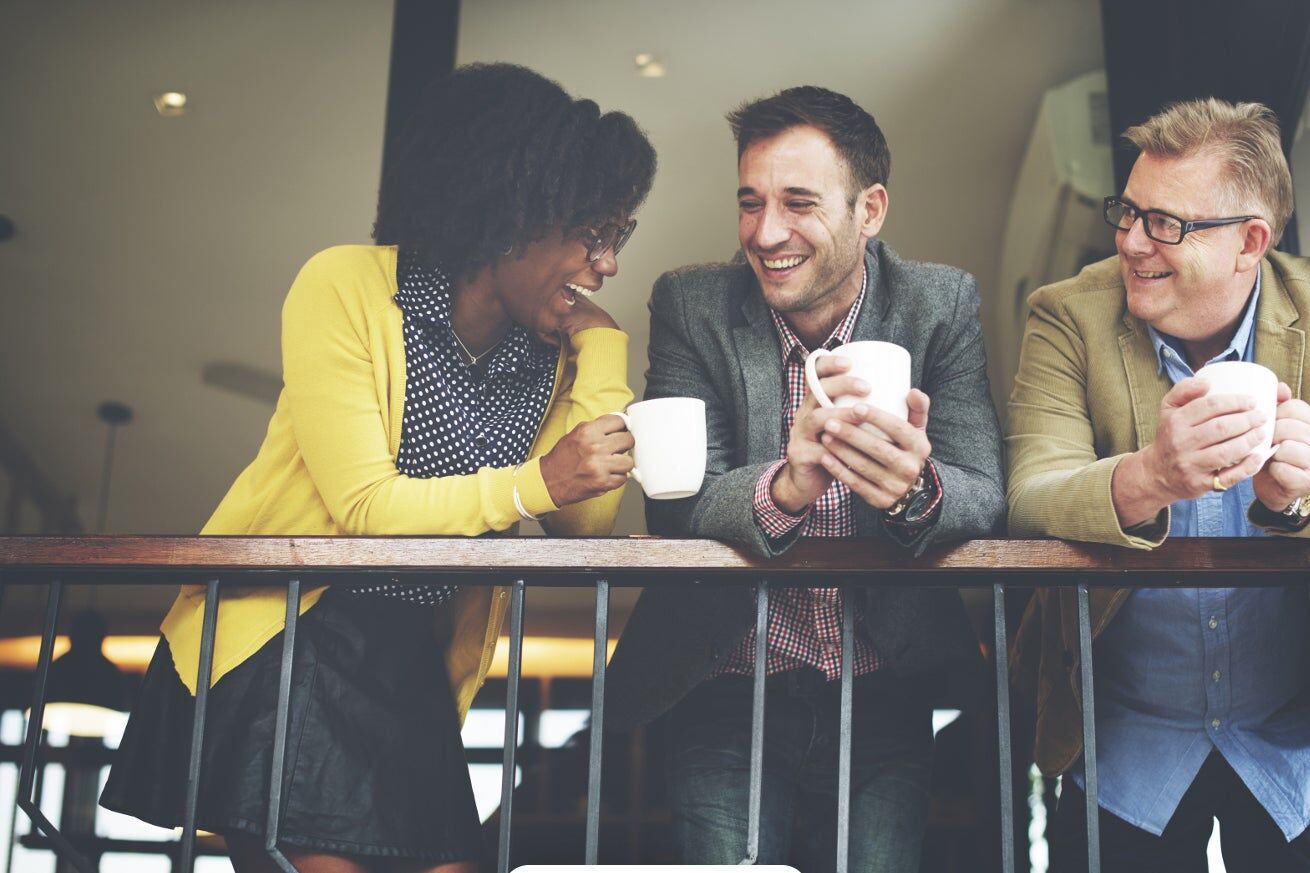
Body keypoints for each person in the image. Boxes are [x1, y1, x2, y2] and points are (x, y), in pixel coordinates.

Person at [100, 63, 656, 873]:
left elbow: (584, 520)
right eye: (593, 234)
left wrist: (602, 349)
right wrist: (532, 484)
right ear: (514, 215)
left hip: (408, 659)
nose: (607, 263)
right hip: (291, 632)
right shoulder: (347, 285)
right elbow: (364, 506)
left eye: (618, 237)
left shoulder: (549, 349)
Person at [604, 86, 1005, 871]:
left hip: (886, 680)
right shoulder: (691, 302)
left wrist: (914, 489)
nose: (765, 232)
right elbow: (676, 503)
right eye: (750, 203)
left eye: (797, 203)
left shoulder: (940, 302)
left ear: (870, 209)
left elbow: (984, 489)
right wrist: (787, 485)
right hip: (726, 679)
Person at [1007, 98, 1310, 871]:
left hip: (1296, 737)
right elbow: (1031, 492)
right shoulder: (1067, 315)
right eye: (1130, 212)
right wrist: (1150, 476)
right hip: (1123, 741)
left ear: (1250, 242)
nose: (1134, 241)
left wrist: (1297, 502)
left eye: (1167, 223)